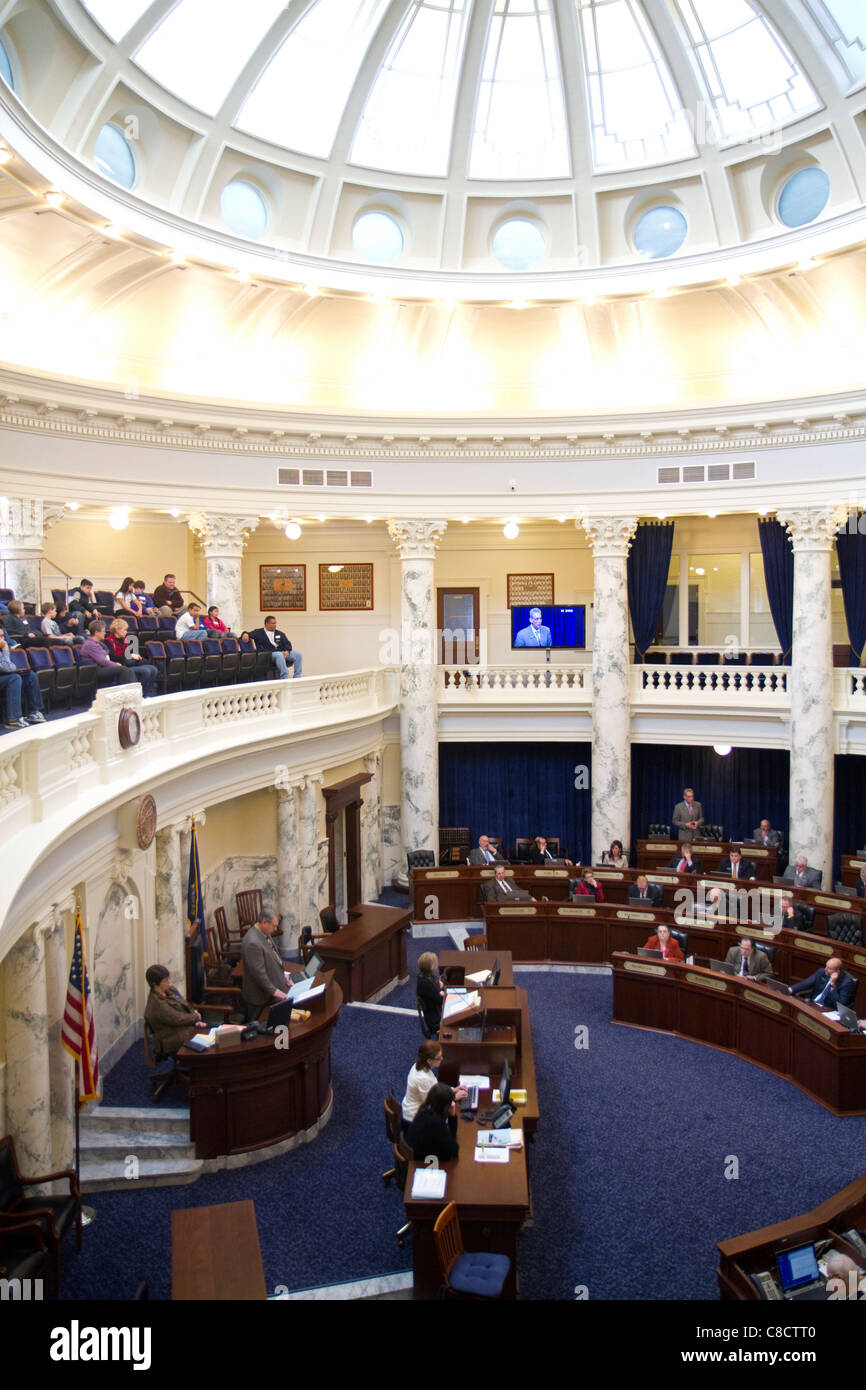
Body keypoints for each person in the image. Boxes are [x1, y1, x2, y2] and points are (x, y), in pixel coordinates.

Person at [401, 1040, 468, 1127]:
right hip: (414, 1119)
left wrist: (452, 1090)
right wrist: (453, 1098)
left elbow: (434, 1089)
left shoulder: (421, 1067)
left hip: (418, 1109)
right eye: (439, 1058)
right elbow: (432, 1104)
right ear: (429, 1060)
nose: (442, 1059)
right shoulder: (422, 1079)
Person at [144, 963, 202, 1054]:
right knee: (206, 1039)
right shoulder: (157, 1005)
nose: (169, 983)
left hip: (182, 1027)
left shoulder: (170, 990)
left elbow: (184, 1005)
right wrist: (195, 1018)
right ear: (155, 984)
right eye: (165, 981)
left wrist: (194, 1017)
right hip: (171, 1037)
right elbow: (177, 1019)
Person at [241, 912, 291, 1016]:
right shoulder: (252, 943)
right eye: (274, 926)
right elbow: (259, 974)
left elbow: (273, 955)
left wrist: (283, 975)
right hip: (260, 997)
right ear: (264, 923)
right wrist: (275, 991)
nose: (276, 929)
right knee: (257, 1026)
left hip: (269, 992)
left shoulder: (263, 933)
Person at [0, 628, 46, 728]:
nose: (3, 639)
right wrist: (5, 649)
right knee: (15, 678)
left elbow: (11, 667)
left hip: (3, 676)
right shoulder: (3, 649)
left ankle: (34, 712)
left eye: (3, 636)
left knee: (30, 676)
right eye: (0, 637)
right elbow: (7, 667)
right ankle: (13, 719)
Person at [405, 1082, 460, 1162]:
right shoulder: (436, 1123)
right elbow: (454, 1150)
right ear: (444, 1106)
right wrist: (452, 1117)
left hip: (413, 1153)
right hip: (420, 1162)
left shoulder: (423, 1109)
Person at [105, 618, 159, 697]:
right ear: (117, 630)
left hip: (129, 663)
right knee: (146, 671)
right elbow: (113, 656)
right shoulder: (108, 641)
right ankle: (141, 693)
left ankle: (149, 692)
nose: (126, 632)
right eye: (125, 630)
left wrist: (134, 656)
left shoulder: (124, 640)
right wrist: (129, 656)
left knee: (153, 669)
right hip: (122, 665)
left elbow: (129, 653)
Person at [80, 620, 137, 689]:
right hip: (94, 670)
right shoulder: (90, 644)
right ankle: (126, 694)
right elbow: (102, 661)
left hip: (101, 667)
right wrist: (115, 664)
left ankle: (132, 693)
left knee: (127, 670)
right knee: (124, 670)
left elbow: (105, 655)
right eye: (103, 631)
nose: (105, 633)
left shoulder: (98, 643)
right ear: (96, 632)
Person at [790, 957, 857, 1009]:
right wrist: (790, 989)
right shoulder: (822, 972)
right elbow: (806, 983)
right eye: (826, 966)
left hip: (828, 1009)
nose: (825, 969)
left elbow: (840, 1005)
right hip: (813, 1004)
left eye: (829, 968)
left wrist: (832, 984)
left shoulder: (847, 983)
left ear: (837, 971)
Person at [416, 951, 445, 1035]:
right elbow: (440, 1000)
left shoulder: (423, 975)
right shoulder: (427, 983)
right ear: (432, 966)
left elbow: (435, 982)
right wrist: (442, 993)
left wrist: (438, 984)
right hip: (435, 1019)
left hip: (433, 1010)